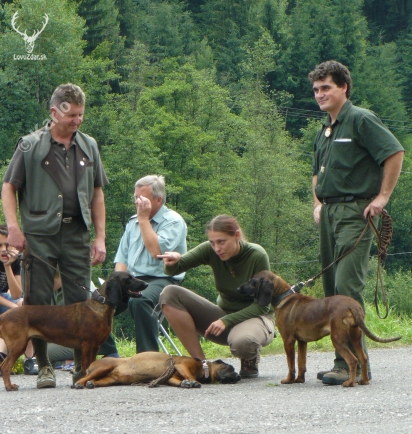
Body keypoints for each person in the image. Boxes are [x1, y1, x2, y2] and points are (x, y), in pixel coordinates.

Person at [2, 83, 107, 389]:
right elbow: (9, 187)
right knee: (38, 299)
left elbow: (97, 193)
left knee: (80, 300)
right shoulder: (29, 145)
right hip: (39, 234)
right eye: (72, 114)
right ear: (54, 112)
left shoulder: (90, 146)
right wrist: (13, 229)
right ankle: (45, 365)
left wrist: (100, 237)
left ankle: (80, 368)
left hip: (78, 233)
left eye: (81, 115)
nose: (77, 120)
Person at [308, 60, 404, 385]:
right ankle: (343, 361)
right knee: (331, 291)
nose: (320, 94)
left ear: (343, 87)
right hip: (329, 214)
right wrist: (318, 202)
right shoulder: (324, 128)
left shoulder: (361, 119)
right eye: (317, 89)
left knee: (347, 289)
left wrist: (382, 198)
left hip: (355, 213)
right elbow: (316, 172)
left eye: (326, 88)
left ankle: (354, 367)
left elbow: (394, 153)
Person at [158, 214, 276, 378]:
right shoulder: (210, 250)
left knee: (243, 343)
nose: (217, 248)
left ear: (236, 235)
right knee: (169, 294)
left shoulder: (257, 255)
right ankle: (201, 365)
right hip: (223, 317)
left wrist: (226, 321)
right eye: (212, 243)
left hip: (256, 317)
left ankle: (249, 356)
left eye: (221, 242)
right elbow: (174, 269)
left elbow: (263, 305)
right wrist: (174, 260)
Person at [114, 174, 187, 352]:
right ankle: (108, 352)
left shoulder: (173, 221)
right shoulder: (133, 222)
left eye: (142, 199)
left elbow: (156, 252)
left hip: (163, 279)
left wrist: (144, 219)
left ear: (158, 199)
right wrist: (116, 282)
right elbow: (122, 258)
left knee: (140, 301)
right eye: (135, 198)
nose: (138, 203)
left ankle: (147, 358)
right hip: (132, 277)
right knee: (99, 302)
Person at [0, 224, 38, 375]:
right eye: (0, 245)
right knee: (20, 310)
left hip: (5, 298)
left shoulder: (13, 261)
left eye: (7, 245)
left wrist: (8, 266)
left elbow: (17, 294)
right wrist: (15, 310)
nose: (3, 249)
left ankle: (30, 359)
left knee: (24, 305)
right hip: (3, 300)